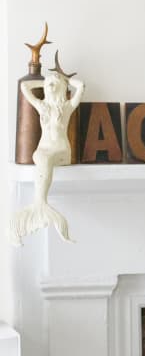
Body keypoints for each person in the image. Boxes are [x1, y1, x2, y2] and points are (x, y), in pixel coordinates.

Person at [9, 62, 84, 245]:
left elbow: (80, 86)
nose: (50, 85)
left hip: (61, 151)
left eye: (53, 84)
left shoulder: (66, 107)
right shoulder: (42, 107)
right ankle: (40, 206)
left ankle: (39, 206)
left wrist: (63, 79)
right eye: (48, 84)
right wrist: (46, 81)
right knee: (41, 157)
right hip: (42, 150)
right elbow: (24, 86)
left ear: (61, 88)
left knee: (44, 158)